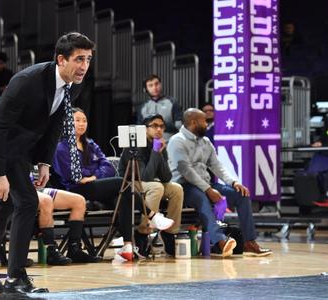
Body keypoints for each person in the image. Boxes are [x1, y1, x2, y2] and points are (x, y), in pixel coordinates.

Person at [0, 32, 94, 294]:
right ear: (61, 59)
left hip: (22, 145)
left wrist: (44, 162)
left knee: (5, 206)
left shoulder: (75, 81)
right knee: (26, 202)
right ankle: (15, 277)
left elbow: (56, 122)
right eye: (79, 59)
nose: (84, 66)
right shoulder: (27, 81)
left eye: (88, 59)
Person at [167, 108, 273, 257]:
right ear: (193, 122)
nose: (206, 123)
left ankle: (249, 241)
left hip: (206, 184)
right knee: (202, 198)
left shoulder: (205, 141)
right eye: (203, 121)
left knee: (240, 195)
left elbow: (217, 166)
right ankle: (220, 241)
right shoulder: (176, 141)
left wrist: (233, 182)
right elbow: (187, 171)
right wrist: (208, 190)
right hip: (184, 186)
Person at [117, 114, 182, 260]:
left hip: (148, 183)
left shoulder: (159, 144)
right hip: (129, 182)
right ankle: (143, 232)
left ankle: (169, 233)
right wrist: (155, 152)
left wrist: (159, 153)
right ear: (145, 129)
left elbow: (167, 177)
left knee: (176, 188)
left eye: (162, 126)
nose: (159, 129)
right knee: (156, 187)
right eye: (154, 126)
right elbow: (144, 176)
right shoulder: (135, 144)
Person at [53, 108, 122, 210]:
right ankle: (150, 215)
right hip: (75, 189)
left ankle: (124, 226)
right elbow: (72, 175)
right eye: (77, 120)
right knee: (120, 183)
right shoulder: (61, 147)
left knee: (120, 198)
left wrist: (93, 177)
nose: (82, 124)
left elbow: (109, 168)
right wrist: (94, 171)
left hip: (93, 184)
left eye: (84, 121)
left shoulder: (90, 144)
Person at [36, 186, 101, 265]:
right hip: (23, 188)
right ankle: (51, 251)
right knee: (46, 200)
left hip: (38, 188)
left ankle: (74, 250)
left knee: (79, 201)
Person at [135, 74, 182, 140]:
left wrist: (160, 125)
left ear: (161, 84)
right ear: (145, 89)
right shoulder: (143, 107)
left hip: (169, 140)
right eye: (150, 85)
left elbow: (179, 125)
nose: (154, 87)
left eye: (156, 84)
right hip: (149, 144)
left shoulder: (173, 102)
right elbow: (139, 129)